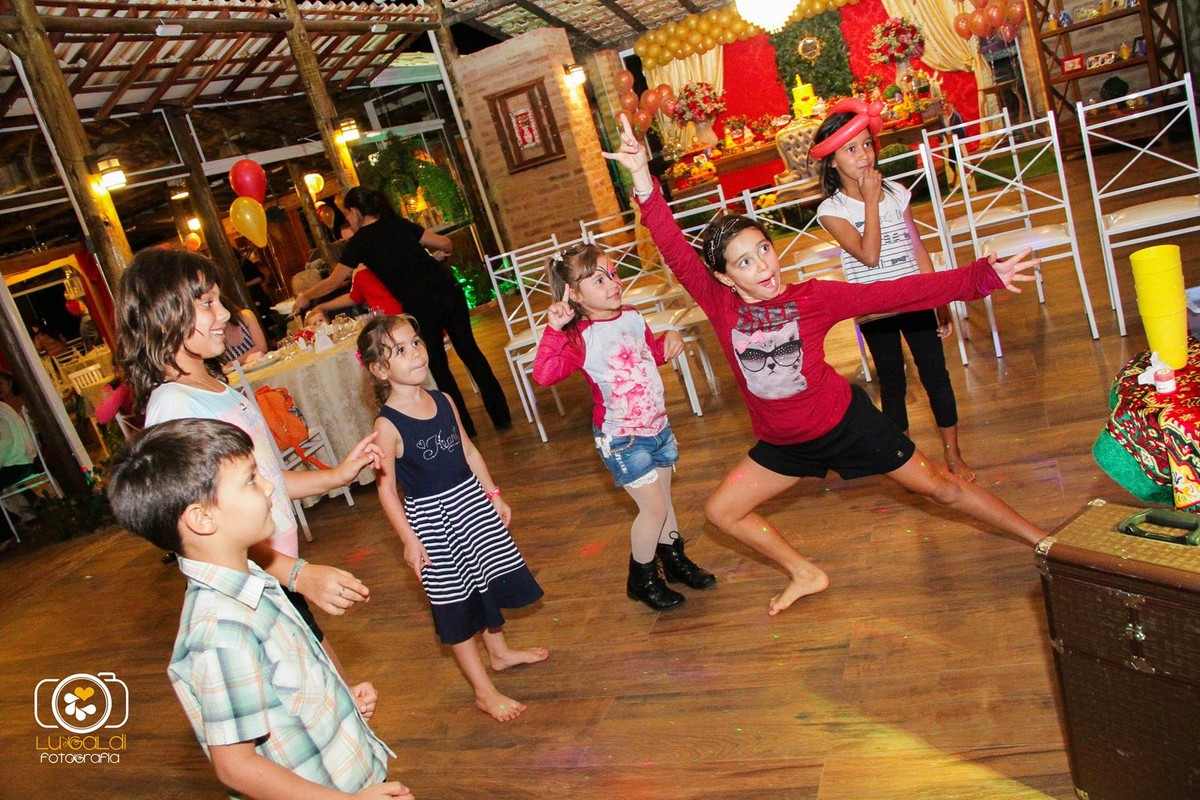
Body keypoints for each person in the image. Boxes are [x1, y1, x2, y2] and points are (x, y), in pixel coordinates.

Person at [603, 113, 1047, 616]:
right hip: (783, 445)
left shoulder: (813, 299)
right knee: (721, 513)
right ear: (725, 279)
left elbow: (899, 290)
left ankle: (1043, 541)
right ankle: (805, 572)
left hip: (846, 425)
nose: (763, 265)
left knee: (944, 490)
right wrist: (643, 179)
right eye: (744, 262)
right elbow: (674, 248)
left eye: (764, 250)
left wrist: (979, 278)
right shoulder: (721, 305)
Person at [107, 419, 412, 799]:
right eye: (252, 479)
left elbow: (284, 682)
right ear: (202, 518)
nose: (269, 486)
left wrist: (337, 700)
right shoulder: (220, 634)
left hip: (348, 773)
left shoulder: (250, 575)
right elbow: (237, 767)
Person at [116, 248, 382, 658]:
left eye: (219, 300)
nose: (224, 314)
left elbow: (264, 479)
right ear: (163, 314)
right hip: (255, 587)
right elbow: (212, 532)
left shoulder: (212, 386)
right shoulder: (175, 409)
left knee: (329, 695)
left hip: (272, 578)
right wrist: (298, 574)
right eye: (207, 303)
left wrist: (336, 475)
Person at [358, 315, 546, 722]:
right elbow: (387, 490)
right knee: (455, 604)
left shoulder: (442, 399)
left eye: (417, 343)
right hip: (434, 523)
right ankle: (483, 690)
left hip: (472, 507)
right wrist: (410, 539)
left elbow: (470, 452)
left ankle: (499, 652)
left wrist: (492, 493)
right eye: (401, 351)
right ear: (379, 369)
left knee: (488, 577)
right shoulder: (386, 426)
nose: (416, 353)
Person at [531, 244, 716, 611]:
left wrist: (668, 343)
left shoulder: (631, 315)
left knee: (664, 504)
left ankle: (674, 561)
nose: (614, 283)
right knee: (652, 509)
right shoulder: (578, 336)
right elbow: (544, 374)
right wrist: (553, 329)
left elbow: (648, 354)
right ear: (575, 296)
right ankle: (642, 577)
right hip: (623, 438)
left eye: (613, 274)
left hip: (658, 427)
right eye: (599, 280)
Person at [814, 104, 975, 481]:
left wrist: (939, 301)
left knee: (937, 374)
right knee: (893, 379)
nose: (863, 155)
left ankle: (953, 454)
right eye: (850, 150)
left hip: (915, 297)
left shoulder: (897, 192)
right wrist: (871, 201)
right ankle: (904, 462)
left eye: (867, 145)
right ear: (833, 161)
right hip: (874, 307)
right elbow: (869, 256)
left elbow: (918, 248)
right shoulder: (830, 209)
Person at [293, 188, 511, 438]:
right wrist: (439, 255)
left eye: (347, 214)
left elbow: (334, 281)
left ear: (355, 212)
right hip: (447, 290)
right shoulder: (397, 223)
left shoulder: (360, 241)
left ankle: (464, 430)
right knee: (470, 351)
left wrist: (307, 296)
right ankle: (501, 416)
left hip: (421, 303)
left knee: (439, 366)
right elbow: (445, 243)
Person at [307, 265, 404, 326]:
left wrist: (306, 297)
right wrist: (321, 306)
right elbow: (354, 297)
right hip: (384, 320)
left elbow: (332, 283)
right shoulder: (359, 272)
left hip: (401, 315)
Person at [0, 399, 38, 551]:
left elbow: (5, 444)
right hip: (19, 460)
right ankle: (12, 517)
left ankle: (4, 533)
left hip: (17, 463)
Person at [220, 296, 269, 367]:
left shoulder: (246, 316)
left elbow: (262, 347)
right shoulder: (212, 334)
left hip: (261, 366)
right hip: (237, 376)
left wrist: (232, 364)